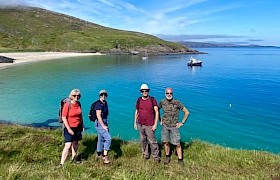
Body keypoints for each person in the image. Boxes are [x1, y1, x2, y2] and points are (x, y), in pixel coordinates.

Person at [158, 87, 190, 166]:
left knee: (177, 144)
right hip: (165, 125)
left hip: (174, 126)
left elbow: (187, 112)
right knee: (166, 142)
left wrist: (182, 122)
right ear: (165, 94)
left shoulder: (177, 102)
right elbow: (156, 110)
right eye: (167, 93)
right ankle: (167, 156)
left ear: (172, 94)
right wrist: (160, 120)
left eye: (170, 93)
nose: (169, 95)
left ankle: (180, 159)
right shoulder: (162, 102)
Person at [134, 84, 160, 162]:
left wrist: (155, 124)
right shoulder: (139, 100)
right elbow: (136, 111)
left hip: (150, 124)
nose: (145, 92)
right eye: (143, 91)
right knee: (143, 140)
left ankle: (156, 157)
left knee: (152, 141)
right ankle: (145, 154)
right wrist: (135, 123)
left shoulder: (152, 100)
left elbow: (156, 112)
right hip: (140, 124)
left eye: (146, 91)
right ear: (141, 92)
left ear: (148, 91)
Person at [58, 89, 84, 168]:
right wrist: (69, 129)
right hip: (69, 127)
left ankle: (74, 159)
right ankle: (61, 163)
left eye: (78, 96)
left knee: (75, 143)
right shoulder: (67, 105)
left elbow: (80, 115)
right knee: (68, 145)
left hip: (78, 127)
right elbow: (64, 117)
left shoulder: (79, 104)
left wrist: (82, 125)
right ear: (71, 96)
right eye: (74, 95)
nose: (76, 97)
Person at [94, 89, 111, 164]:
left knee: (100, 138)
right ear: (99, 96)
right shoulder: (98, 104)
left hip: (105, 121)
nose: (103, 96)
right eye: (102, 95)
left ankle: (98, 153)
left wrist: (106, 123)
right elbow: (98, 116)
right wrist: (104, 126)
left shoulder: (105, 103)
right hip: (100, 123)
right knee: (108, 138)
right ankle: (105, 156)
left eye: (105, 95)